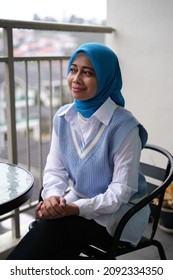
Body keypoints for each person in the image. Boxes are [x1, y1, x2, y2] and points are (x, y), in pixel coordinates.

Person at [7, 42, 150, 260]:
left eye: (88, 73)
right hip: (79, 203)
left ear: (105, 78)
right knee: (55, 231)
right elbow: (55, 170)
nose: (76, 79)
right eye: (73, 70)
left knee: (56, 228)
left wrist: (74, 209)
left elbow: (121, 192)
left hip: (120, 215)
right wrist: (54, 198)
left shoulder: (124, 126)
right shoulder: (63, 117)